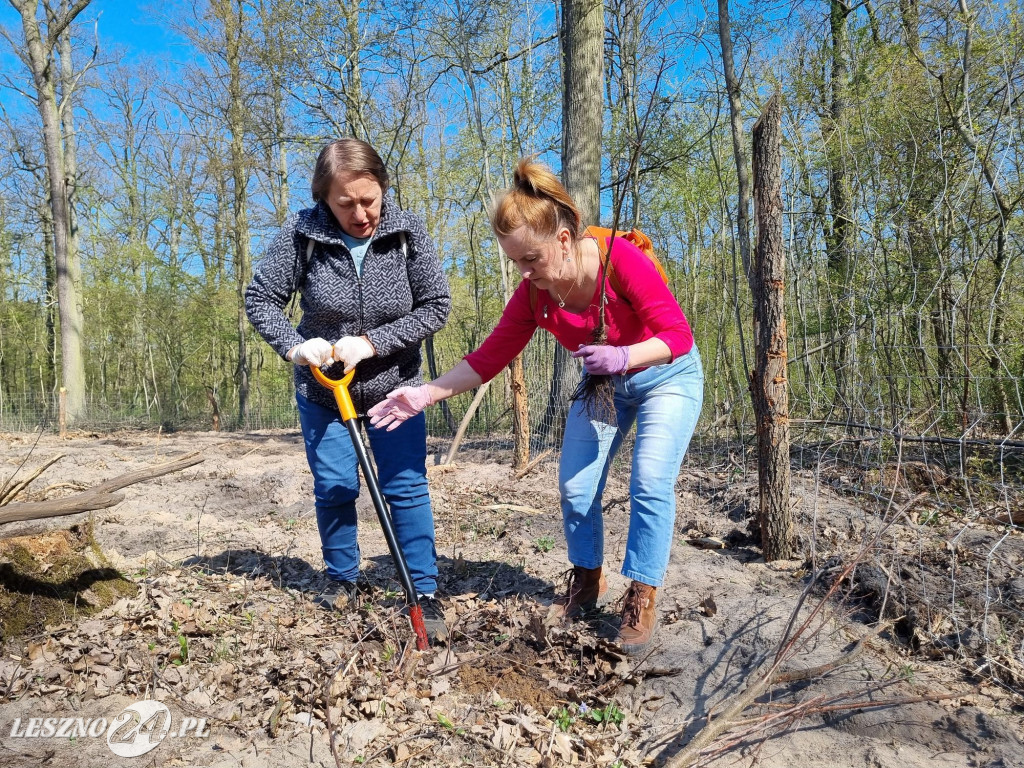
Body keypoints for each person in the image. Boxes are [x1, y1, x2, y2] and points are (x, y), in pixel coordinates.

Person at [368, 157, 703, 655]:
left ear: (563, 240)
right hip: (604, 386)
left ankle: (642, 592)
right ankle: (589, 580)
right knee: (573, 485)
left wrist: (624, 354)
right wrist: (424, 394)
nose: (524, 273)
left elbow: (677, 335)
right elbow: (489, 357)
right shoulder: (535, 295)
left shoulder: (619, 260)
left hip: (665, 375)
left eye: (531, 259)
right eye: (516, 262)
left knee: (650, 480)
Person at [245, 138, 451, 641]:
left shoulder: (406, 232)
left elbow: (436, 306)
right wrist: (296, 347)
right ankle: (343, 579)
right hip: (324, 393)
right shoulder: (302, 234)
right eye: (346, 203)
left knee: (404, 486)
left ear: (383, 188)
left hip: (393, 388)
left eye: (370, 199)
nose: (361, 213)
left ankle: (423, 590)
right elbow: (260, 299)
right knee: (335, 487)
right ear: (324, 199)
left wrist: (373, 342)